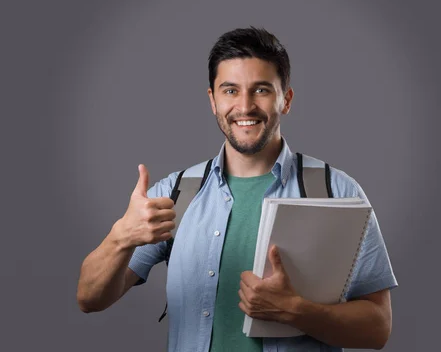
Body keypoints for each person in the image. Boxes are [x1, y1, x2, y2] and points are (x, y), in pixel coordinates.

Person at [77, 27, 397, 352]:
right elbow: (89, 298)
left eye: (261, 90)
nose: (245, 107)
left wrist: (298, 312)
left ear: (285, 99)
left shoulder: (336, 191)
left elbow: (378, 329)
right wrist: (121, 238)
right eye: (230, 91)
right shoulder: (173, 195)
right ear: (212, 100)